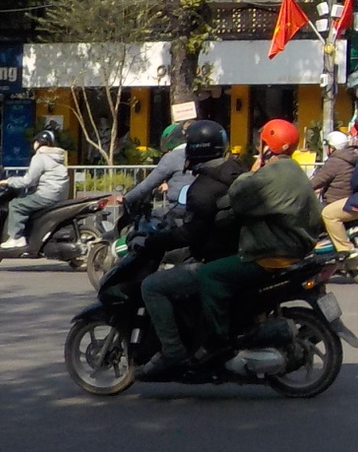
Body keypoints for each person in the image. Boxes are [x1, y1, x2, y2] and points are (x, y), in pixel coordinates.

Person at [185, 122, 323, 367]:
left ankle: (218, 341)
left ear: (267, 146)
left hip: (271, 253)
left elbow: (238, 196)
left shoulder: (269, 174)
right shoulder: (294, 170)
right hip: (294, 248)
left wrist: (252, 170)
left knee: (208, 275)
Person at [135, 120, 244, 376]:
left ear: (195, 151)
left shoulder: (202, 189)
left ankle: (172, 349)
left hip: (217, 258)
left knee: (152, 286)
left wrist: (155, 241)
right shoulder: (235, 170)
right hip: (234, 250)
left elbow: (189, 233)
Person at [0, 128, 71, 251]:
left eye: (35, 142)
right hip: (60, 195)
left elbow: (28, 181)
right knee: (29, 198)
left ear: (39, 143)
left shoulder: (40, 157)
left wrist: (9, 181)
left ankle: (17, 238)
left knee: (16, 205)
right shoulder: (57, 157)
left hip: (47, 195)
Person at [309, 128, 358, 255]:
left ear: (332, 147)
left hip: (334, 201)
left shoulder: (335, 161)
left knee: (309, 219)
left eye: (327, 146)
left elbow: (318, 180)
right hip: (345, 198)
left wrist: (302, 187)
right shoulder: (350, 158)